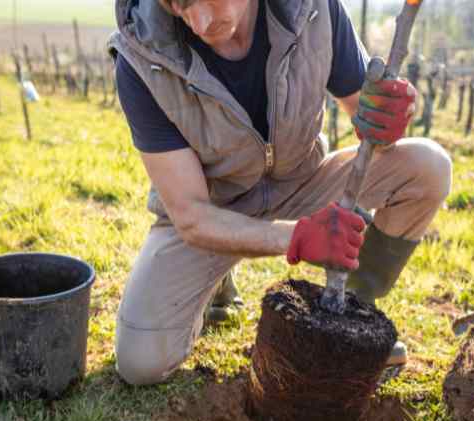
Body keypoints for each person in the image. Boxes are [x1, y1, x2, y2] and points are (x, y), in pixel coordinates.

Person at [109, 0, 452, 386]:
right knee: (141, 364)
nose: (199, 21)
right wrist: (298, 237)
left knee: (428, 166)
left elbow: (367, 117)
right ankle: (214, 282)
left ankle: (349, 317)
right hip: (214, 212)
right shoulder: (142, 59)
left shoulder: (312, 11)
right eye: (180, 6)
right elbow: (191, 214)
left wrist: (389, 118)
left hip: (303, 181)